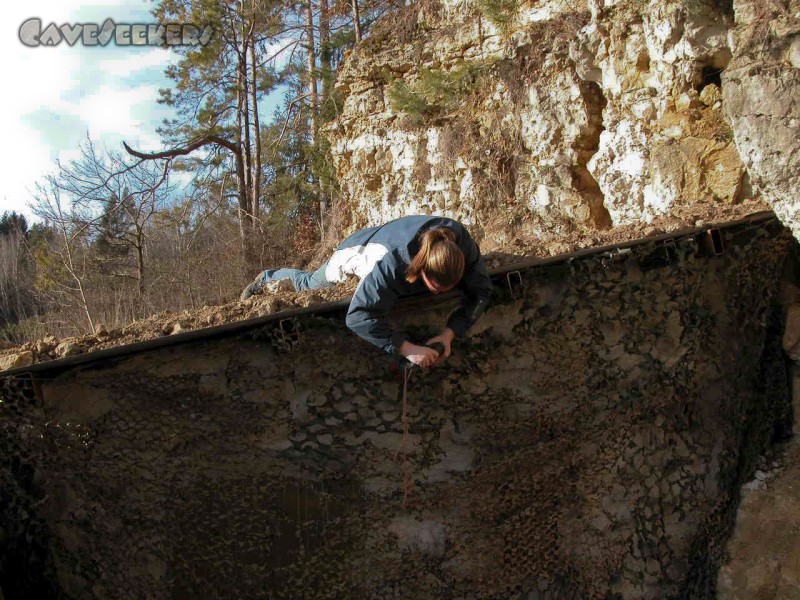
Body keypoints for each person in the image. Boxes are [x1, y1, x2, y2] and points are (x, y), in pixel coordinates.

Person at [240, 215, 493, 368]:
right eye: (434, 288)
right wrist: (406, 348)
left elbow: (482, 291)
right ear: (422, 269)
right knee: (311, 283)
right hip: (357, 249)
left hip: (393, 232)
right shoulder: (393, 263)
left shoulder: (463, 247)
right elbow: (358, 316)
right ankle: (267, 278)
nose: (438, 295)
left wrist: (449, 335)